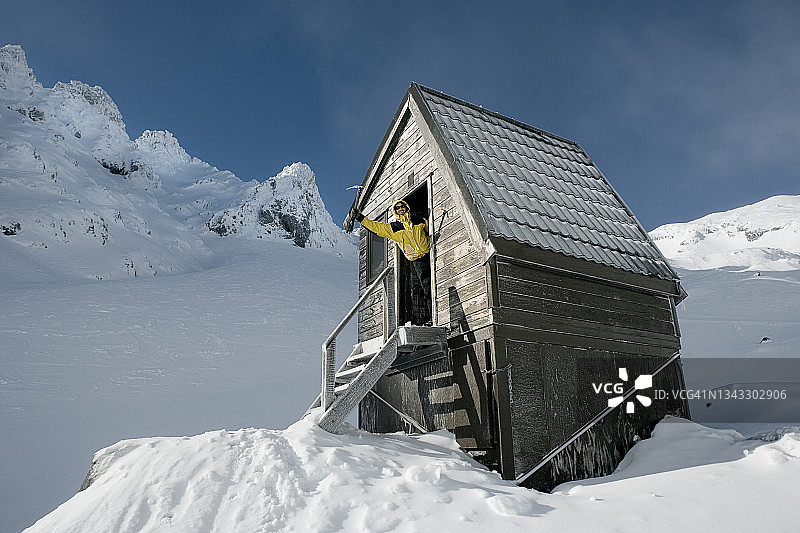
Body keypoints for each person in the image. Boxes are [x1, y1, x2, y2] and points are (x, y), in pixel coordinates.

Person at [354, 200, 432, 322]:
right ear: (395, 211)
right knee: (427, 287)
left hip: (430, 253)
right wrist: (360, 218)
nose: (400, 209)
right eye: (397, 208)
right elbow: (376, 227)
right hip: (418, 261)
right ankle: (432, 316)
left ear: (407, 207)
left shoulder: (418, 220)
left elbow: (430, 228)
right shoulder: (394, 228)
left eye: (402, 206)